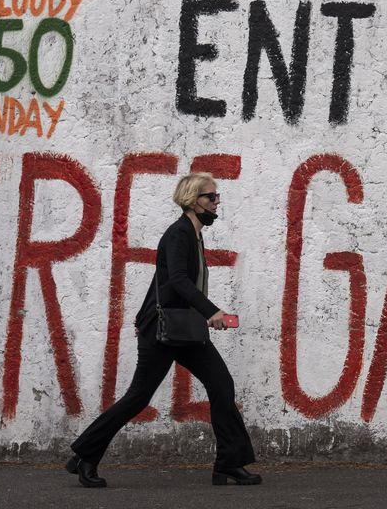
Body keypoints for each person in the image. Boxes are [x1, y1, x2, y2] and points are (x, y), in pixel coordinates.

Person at [65, 172, 260, 488]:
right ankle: (85, 456)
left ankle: (229, 463)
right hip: (161, 330)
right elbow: (179, 281)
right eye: (210, 197)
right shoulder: (178, 234)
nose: (216, 202)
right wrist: (212, 311)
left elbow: (185, 285)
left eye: (216, 196)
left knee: (221, 385)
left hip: (185, 330)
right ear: (192, 201)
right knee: (138, 397)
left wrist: (205, 316)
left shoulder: (194, 235)